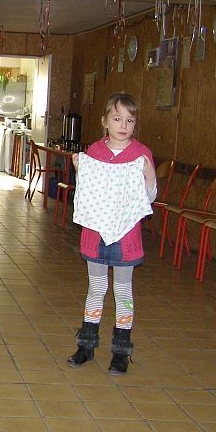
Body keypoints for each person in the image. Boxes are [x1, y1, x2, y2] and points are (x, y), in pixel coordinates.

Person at [66, 92, 156, 374]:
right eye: (117, 118)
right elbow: (88, 193)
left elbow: (148, 197)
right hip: (96, 234)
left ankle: (121, 349)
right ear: (105, 121)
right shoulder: (95, 152)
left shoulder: (140, 154)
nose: (123, 125)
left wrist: (149, 174)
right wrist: (81, 169)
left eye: (130, 120)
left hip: (127, 237)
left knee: (123, 289)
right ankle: (87, 344)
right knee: (96, 287)